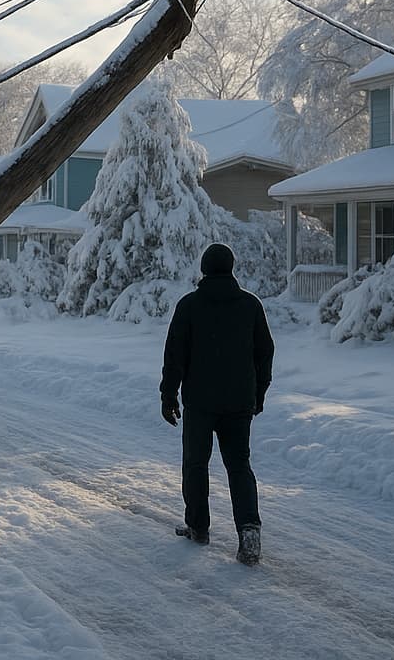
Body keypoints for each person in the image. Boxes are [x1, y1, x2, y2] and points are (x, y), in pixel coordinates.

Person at [159, 242, 274, 565]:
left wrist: (168, 395)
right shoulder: (250, 306)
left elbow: (175, 356)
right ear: (232, 267)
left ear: (204, 270)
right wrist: (258, 393)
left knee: (196, 463)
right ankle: (249, 531)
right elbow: (264, 353)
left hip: (200, 402)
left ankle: (198, 526)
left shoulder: (190, 306)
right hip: (239, 402)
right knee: (239, 465)